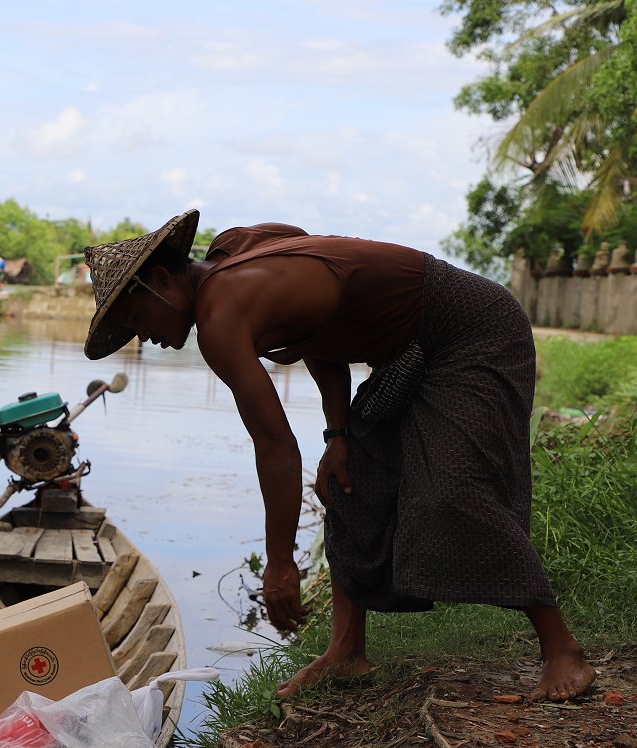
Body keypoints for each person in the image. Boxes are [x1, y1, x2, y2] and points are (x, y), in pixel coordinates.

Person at [83, 209, 597, 702]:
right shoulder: (236, 248)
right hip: (406, 350)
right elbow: (320, 334)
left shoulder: (221, 313)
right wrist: (338, 433)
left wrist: (281, 561)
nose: (143, 338)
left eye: (136, 317)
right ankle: (346, 650)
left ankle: (561, 647)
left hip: (469, 328)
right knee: (349, 483)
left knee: (455, 491)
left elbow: (277, 447)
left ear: (162, 281)